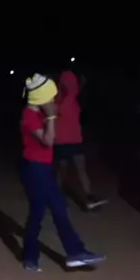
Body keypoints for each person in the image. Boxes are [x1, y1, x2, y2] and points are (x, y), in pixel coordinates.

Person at [20, 74, 106, 272]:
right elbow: (48, 140)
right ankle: (71, 252)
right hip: (35, 169)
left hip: (42, 168)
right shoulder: (29, 117)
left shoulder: (38, 111)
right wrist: (51, 117)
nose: (53, 101)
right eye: (50, 98)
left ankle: (37, 256)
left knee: (43, 212)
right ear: (41, 99)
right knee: (47, 211)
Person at [54, 70, 107, 210]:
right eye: (71, 82)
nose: (73, 85)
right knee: (65, 169)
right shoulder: (66, 100)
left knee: (71, 169)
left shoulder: (62, 99)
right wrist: (82, 82)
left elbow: (74, 91)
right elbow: (73, 91)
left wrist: (82, 84)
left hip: (71, 140)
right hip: (66, 141)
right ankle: (57, 195)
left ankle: (88, 196)